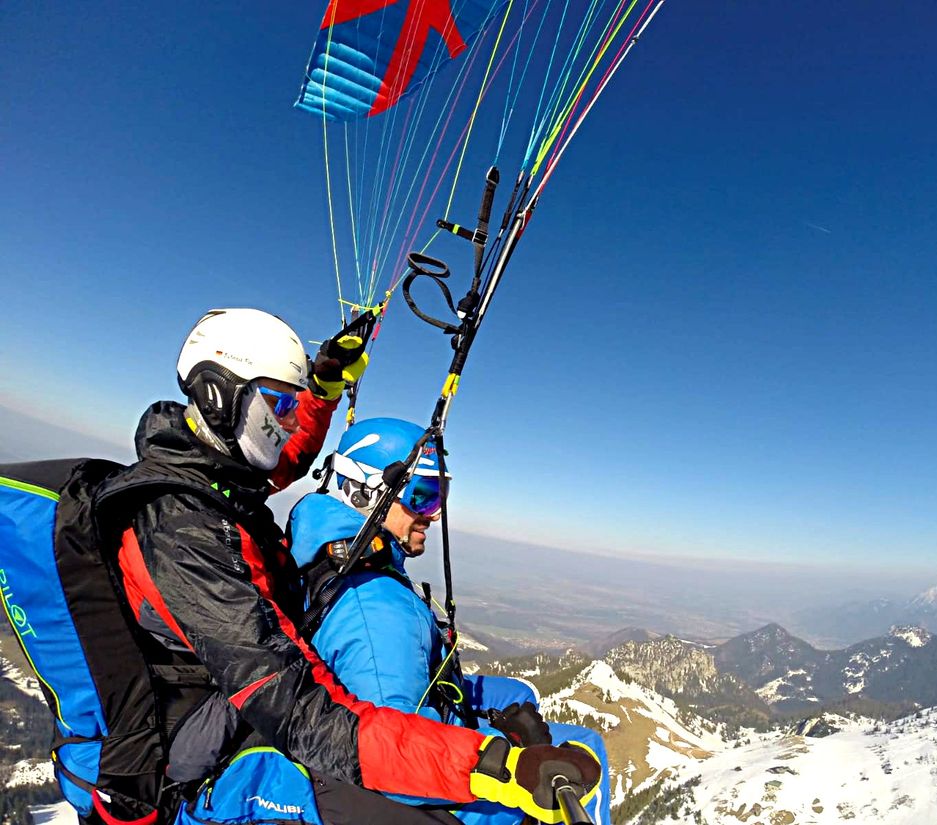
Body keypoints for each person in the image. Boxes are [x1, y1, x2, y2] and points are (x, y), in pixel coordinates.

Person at [111, 308, 600, 825]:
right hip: (209, 742)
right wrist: (496, 768)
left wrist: (320, 391)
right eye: (280, 403)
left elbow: (284, 457)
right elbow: (301, 713)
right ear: (219, 395)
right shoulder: (182, 538)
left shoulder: (210, 471)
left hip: (255, 699)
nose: (292, 420)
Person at [282, 417, 612, 825]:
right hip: (418, 784)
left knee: (520, 693)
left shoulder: (345, 552)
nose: (434, 514)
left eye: (440, 496)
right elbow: (391, 756)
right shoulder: (375, 609)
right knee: (585, 751)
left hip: (426, 716)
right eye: (422, 496)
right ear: (365, 491)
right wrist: (508, 751)